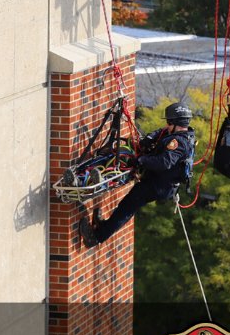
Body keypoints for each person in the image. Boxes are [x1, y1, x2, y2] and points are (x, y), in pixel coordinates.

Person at [83, 103, 196, 247]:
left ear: (175, 123)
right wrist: (149, 138)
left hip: (158, 186)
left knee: (126, 208)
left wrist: (140, 160)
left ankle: (97, 237)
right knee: (126, 206)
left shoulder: (178, 143)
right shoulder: (184, 135)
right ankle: (103, 226)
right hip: (159, 183)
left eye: (168, 122)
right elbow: (161, 132)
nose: (167, 125)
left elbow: (163, 163)